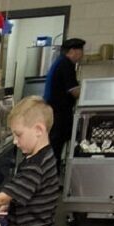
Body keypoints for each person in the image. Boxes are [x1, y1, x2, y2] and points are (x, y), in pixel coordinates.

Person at [0, 97, 60, 226]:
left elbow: (2, 198)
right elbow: (29, 193)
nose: (15, 141)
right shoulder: (45, 155)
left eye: (18, 135)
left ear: (39, 130)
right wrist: (12, 204)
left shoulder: (36, 165)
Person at [44, 37, 85, 170]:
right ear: (73, 51)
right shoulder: (66, 64)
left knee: (54, 148)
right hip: (58, 114)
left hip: (54, 112)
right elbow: (74, 92)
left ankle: (50, 179)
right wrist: (87, 93)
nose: (82, 54)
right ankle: (50, 181)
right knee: (55, 148)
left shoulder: (60, 62)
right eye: (81, 51)